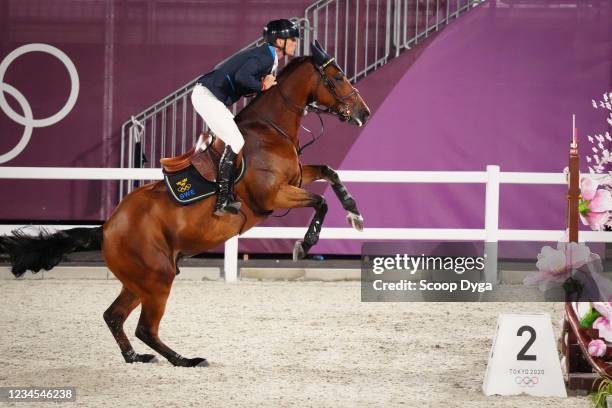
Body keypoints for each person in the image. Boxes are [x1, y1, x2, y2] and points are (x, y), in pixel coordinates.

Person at [192, 19, 300, 216]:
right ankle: (222, 200)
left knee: (234, 138)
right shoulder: (265, 57)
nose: (295, 42)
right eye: (292, 38)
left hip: (210, 97)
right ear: (279, 41)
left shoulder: (268, 58)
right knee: (235, 140)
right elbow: (243, 77)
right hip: (207, 97)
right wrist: (262, 86)